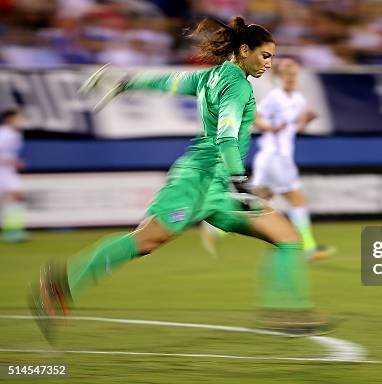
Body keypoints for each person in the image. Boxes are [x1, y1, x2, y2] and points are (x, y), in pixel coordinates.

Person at [30, 16, 329, 341]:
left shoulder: (212, 77)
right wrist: (241, 184)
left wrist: (127, 82)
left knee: (288, 238)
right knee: (145, 241)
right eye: (265, 55)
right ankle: (61, 283)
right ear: (245, 50)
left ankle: (286, 313)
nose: (269, 63)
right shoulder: (238, 86)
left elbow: (169, 82)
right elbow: (226, 138)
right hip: (199, 180)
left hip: (217, 185)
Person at [201, 58, 335, 261]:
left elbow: (293, 129)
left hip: (274, 157)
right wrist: (270, 128)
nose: (291, 78)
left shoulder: (297, 99)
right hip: (275, 156)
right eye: (287, 74)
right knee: (297, 200)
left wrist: (306, 121)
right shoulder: (276, 97)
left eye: (294, 74)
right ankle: (309, 248)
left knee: (259, 199)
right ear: (278, 77)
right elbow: (256, 117)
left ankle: (216, 228)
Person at [0, 109, 29, 242]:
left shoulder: (15, 134)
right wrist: (13, 161)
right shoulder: (4, 134)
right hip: (3, 171)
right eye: (18, 118)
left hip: (8, 172)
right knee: (15, 197)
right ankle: (12, 232)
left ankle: (13, 232)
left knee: (17, 197)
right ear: (9, 119)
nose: (21, 121)